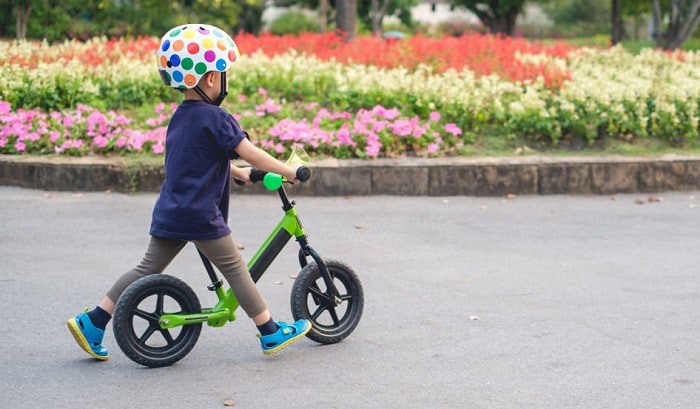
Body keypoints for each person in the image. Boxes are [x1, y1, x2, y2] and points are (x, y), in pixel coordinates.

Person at [66, 24, 311, 360]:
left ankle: (93, 321)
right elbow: (248, 150)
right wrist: (288, 169)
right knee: (237, 270)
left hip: (172, 210)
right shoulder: (217, 118)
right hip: (201, 215)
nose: (226, 80)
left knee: (145, 269)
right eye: (225, 73)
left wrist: (239, 175)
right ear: (210, 78)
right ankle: (269, 331)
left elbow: (196, 162)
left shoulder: (181, 117)